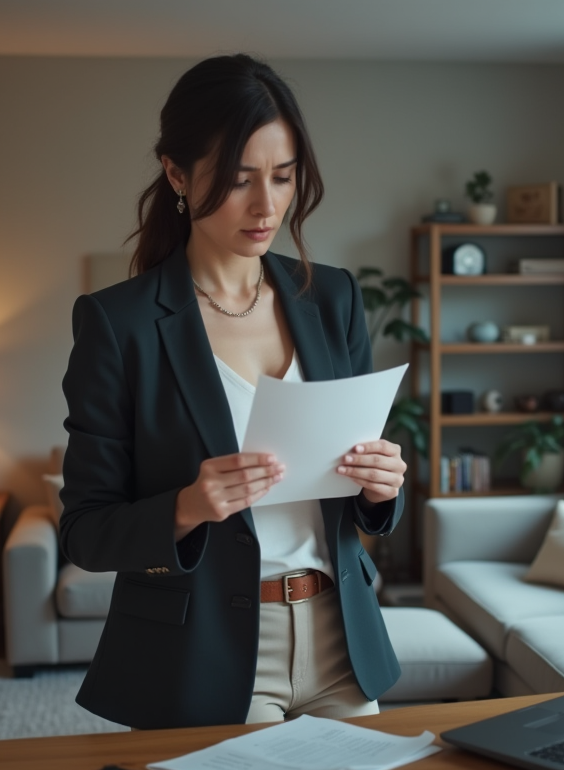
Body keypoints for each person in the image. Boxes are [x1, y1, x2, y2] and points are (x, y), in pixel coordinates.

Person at [59, 54, 407, 731]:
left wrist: (382, 488)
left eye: (283, 176)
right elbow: (85, 533)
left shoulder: (332, 297)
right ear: (177, 174)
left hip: (342, 636)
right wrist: (187, 507)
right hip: (209, 653)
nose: (266, 205)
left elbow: (360, 490)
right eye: (239, 179)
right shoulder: (119, 324)